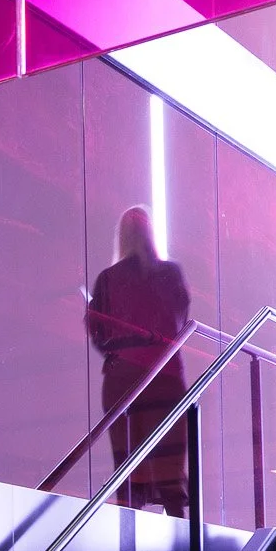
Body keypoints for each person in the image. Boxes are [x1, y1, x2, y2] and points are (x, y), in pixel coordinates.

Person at [86, 205, 194, 514]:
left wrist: (121, 350)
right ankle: (181, 536)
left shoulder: (108, 279)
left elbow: (97, 331)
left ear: (122, 237)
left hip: (123, 381)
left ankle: (129, 535)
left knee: (128, 468)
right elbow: (179, 320)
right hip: (165, 377)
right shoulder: (171, 273)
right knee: (170, 467)